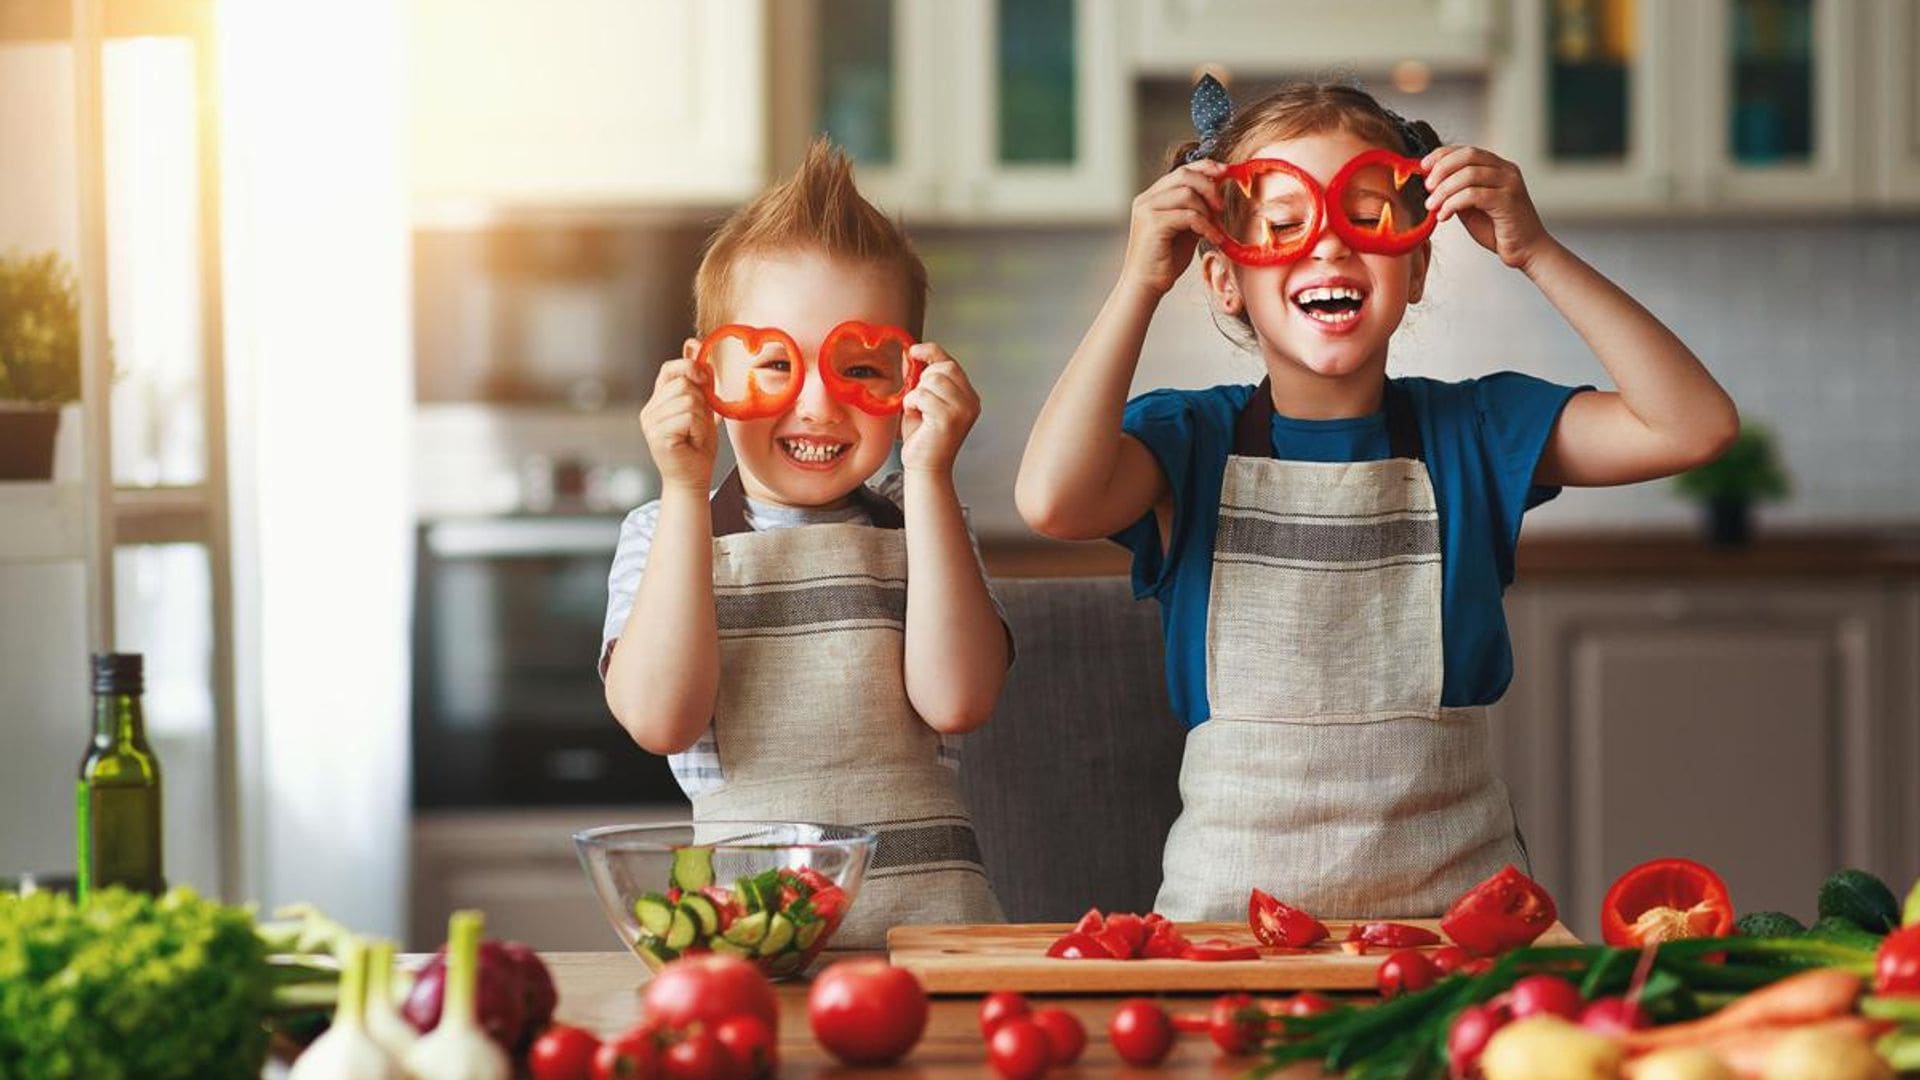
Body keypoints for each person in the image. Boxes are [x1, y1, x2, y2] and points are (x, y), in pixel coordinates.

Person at [1015, 77, 1738, 920]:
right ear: (1223, 278)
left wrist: (1535, 249)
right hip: (1226, 941)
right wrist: (1137, 282)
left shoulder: (1474, 430)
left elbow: (1692, 426)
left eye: (1367, 218)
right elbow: (1052, 502)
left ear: (1419, 264)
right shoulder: (1189, 444)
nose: (1327, 247)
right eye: (1284, 225)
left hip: (1460, 938)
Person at [602, 140, 1009, 945]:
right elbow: (660, 719)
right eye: (773, 366)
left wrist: (930, 476)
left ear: (912, 377)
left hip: (934, 944)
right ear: (705, 377)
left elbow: (958, 701)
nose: (818, 405)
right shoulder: (666, 534)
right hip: (756, 945)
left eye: (860, 367)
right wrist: (685, 488)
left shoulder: (925, 524)